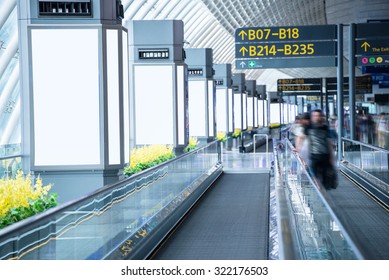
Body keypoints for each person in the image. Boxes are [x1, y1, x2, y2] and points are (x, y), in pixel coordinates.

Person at [304, 109, 337, 189]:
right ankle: (320, 192)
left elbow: (329, 143)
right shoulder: (308, 128)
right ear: (312, 117)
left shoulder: (325, 128)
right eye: (315, 116)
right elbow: (304, 142)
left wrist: (332, 158)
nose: (317, 118)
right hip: (313, 156)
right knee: (314, 177)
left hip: (325, 156)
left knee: (326, 179)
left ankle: (323, 193)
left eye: (318, 116)